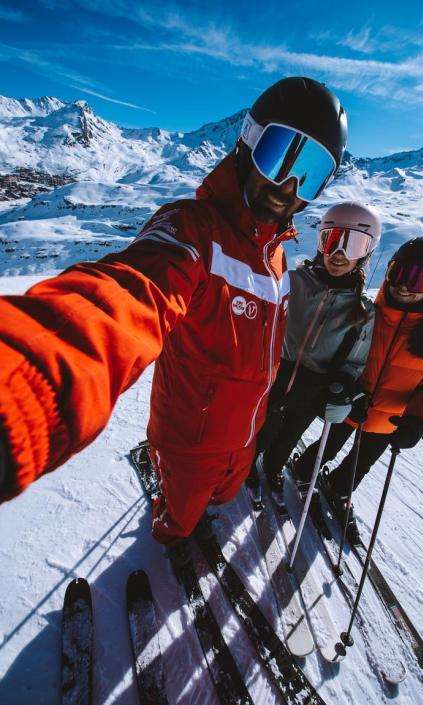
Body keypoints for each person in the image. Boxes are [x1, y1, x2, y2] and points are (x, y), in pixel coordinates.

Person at [0, 77, 347, 565]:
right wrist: (25, 383)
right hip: (188, 442)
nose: (288, 186)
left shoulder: (278, 259)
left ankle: (200, 516)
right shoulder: (192, 231)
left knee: (224, 497)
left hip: (244, 436)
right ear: (248, 142)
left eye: (311, 173)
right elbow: (126, 296)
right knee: (179, 518)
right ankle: (166, 541)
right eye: (281, 155)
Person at [291, 236, 423, 544]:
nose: (404, 285)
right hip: (350, 403)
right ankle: (305, 471)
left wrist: (418, 422)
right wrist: (341, 388)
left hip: (389, 419)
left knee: (362, 463)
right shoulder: (366, 312)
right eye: (398, 272)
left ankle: (340, 489)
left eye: (419, 279)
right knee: (328, 445)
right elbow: (339, 352)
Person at [246, 201, 380, 528]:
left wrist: (342, 388)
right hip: (277, 370)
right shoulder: (292, 281)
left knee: (290, 434)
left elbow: (355, 360)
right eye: (332, 241)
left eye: (353, 246)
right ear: (320, 243)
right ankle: (248, 466)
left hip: (314, 384)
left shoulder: (362, 310)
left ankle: (274, 470)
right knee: (262, 426)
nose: (339, 254)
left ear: (365, 254)